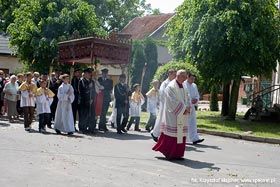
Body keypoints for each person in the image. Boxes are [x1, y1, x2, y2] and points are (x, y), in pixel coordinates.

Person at [152, 70, 191, 160]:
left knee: (180, 135)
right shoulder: (171, 86)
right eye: (183, 76)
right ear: (177, 76)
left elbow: (187, 97)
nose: (185, 78)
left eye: (185, 77)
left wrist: (188, 107)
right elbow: (171, 101)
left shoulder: (184, 85)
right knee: (171, 135)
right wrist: (183, 108)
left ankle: (178, 154)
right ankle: (169, 152)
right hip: (173, 114)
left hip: (182, 114)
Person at [151, 69, 176, 142]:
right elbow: (162, 94)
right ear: (170, 74)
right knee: (161, 120)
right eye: (174, 75)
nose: (175, 76)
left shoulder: (174, 83)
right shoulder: (165, 83)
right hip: (165, 104)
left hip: (172, 105)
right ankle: (155, 133)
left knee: (166, 121)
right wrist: (167, 102)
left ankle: (160, 134)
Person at [184, 72, 204, 144]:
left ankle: (195, 138)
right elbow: (183, 96)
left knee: (192, 122)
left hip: (192, 107)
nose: (192, 80)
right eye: (191, 79)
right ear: (187, 77)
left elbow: (197, 95)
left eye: (194, 79)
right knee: (185, 123)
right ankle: (184, 138)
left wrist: (196, 100)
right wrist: (189, 100)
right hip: (185, 107)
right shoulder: (183, 84)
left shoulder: (194, 85)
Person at [78, 68, 96, 134]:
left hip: (91, 101)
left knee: (91, 115)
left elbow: (94, 92)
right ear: (85, 74)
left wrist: (92, 99)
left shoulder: (92, 81)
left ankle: (91, 128)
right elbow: (82, 92)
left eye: (90, 73)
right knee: (83, 115)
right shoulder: (81, 81)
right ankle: (82, 128)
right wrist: (89, 86)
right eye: (88, 73)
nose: (89, 74)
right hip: (84, 101)